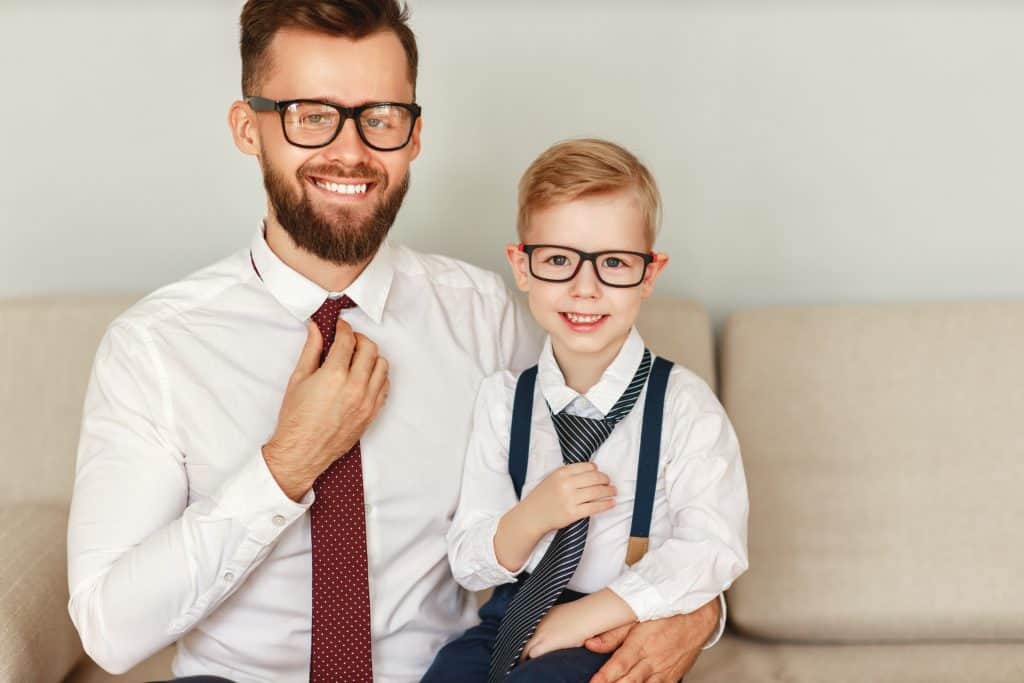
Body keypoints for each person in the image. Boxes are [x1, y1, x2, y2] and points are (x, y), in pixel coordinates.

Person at [66, 2, 724, 681]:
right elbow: (109, 631)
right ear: (248, 129)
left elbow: (621, 482)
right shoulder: (155, 347)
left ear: (413, 136)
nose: (350, 150)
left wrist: (698, 609)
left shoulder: (483, 315)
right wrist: (286, 464)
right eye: (311, 115)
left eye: (380, 117)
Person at [423, 139, 749, 682]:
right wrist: (532, 516)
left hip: (617, 622)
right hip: (509, 615)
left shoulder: (683, 406)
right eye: (558, 260)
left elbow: (712, 550)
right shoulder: (504, 401)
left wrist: (586, 617)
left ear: (649, 273)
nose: (584, 288)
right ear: (521, 266)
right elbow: (469, 555)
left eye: (614, 263)